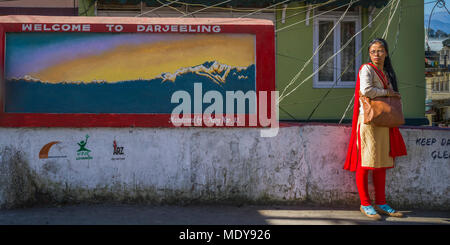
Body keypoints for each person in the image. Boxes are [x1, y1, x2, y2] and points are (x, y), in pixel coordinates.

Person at [344, 38, 407, 220]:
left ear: (386, 53)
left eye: (380, 51)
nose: (377, 54)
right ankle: (365, 204)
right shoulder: (366, 69)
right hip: (369, 122)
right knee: (365, 163)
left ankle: (381, 202)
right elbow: (366, 90)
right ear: (369, 54)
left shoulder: (386, 72)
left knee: (381, 164)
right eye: (373, 51)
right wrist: (388, 92)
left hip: (384, 122)